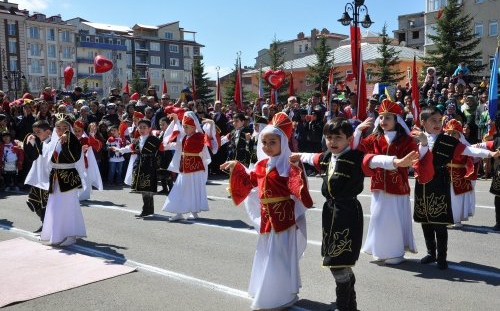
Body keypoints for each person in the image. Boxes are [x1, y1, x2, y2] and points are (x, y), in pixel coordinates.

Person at [291, 117, 417, 311]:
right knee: (338, 260)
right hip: (330, 213)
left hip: (348, 213)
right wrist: (293, 155)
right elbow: (308, 157)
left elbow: (374, 160)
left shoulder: (357, 158)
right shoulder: (326, 157)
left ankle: (344, 305)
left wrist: (396, 162)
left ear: (349, 139)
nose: (332, 142)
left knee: (337, 262)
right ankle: (351, 306)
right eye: (328, 137)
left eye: (337, 138)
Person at [221, 112, 313, 310]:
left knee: (279, 256)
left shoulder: (290, 164)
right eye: (264, 142)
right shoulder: (262, 164)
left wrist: (297, 172)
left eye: (272, 142)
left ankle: (279, 295)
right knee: (265, 253)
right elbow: (251, 179)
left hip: (283, 219)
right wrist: (236, 167)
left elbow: (298, 189)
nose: (267, 146)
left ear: (283, 143)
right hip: (266, 218)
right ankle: (265, 289)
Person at [413, 106, 500, 269]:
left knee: (439, 221)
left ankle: (441, 256)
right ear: (423, 122)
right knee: (425, 220)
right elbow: (419, 160)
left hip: (439, 182)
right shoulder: (416, 138)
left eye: (440, 120)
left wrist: (490, 154)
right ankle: (430, 252)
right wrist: (423, 142)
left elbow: (468, 150)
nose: (438, 123)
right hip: (423, 184)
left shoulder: (448, 140)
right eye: (433, 120)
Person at [353, 99, 421, 265]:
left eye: (388, 118)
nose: (383, 121)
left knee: (394, 219)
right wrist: (357, 131)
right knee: (378, 218)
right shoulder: (374, 138)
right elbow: (356, 151)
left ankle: (396, 252)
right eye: (381, 117)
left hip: (398, 185)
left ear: (396, 120)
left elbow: (415, 156)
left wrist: (422, 145)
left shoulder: (405, 140)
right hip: (379, 186)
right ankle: (380, 250)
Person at [40, 116, 87, 246]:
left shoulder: (73, 141)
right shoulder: (54, 141)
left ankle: (70, 235)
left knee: (69, 206)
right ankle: (55, 235)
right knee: (55, 206)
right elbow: (46, 158)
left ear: (70, 129)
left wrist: (67, 143)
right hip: (55, 177)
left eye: (65, 128)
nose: (61, 130)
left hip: (68, 177)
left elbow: (74, 158)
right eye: (58, 127)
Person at [162, 111, 211, 221]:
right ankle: (179, 212)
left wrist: (211, 126)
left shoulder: (200, 136)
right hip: (184, 168)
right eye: (184, 126)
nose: (184, 129)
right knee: (179, 189)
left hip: (195, 168)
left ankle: (194, 212)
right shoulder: (184, 138)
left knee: (194, 190)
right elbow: (177, 143)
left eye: (187, 127)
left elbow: (209, 141)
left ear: (194, 127)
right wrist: (165, 146)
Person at [113, 119, 162, 218]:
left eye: (144, 127)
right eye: (140, 127)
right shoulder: (137, 140)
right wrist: (119, 149)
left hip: (150, 165)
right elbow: (129, 148)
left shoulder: (155, 140)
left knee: (147, 188)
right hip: (140, 165)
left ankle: (146, 209)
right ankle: (148, 209)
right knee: (144, 188)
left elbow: (163, 149)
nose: (142, 129)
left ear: (149, 129)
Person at [442, 119, 477, 228]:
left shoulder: (464, 146)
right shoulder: (442, 144)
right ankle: (446, 218)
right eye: (449, 133)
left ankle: (456, 219)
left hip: (459, 176)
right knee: (446, 197)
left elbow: (471, 160)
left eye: (454, 133)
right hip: (445, 174)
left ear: (459, 134)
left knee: (457, 199)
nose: (451, 135)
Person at [23, 120, 52, 233]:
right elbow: (32, 156)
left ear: (48, 132)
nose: (35, 134)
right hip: (38, 179)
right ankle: (44, 222)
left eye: (38, 132)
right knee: (33, 201)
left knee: (47, 205)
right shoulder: (41, 142)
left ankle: (48, 226)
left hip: (48, 180)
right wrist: (28, 143)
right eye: (34, 132)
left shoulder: (52, 143)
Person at [73, 120, 103, 200]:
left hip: (83, 162)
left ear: (82, 131)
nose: (77, 132)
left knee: (84, 177)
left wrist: (92, 135)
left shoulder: (85, 139)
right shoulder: (70, 139)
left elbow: (97, 145)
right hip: (73, 162)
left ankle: (83, 195)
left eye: (79, 131)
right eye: (75, 131)